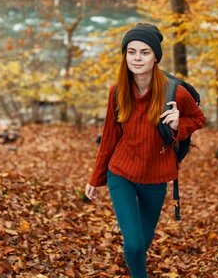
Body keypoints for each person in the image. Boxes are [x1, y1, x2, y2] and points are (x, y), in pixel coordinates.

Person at [85, 23, 206, 278]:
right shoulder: (117, 92)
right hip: (121, 174)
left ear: (155, 57)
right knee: (134, 244)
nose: (137, 58)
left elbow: (199, 119)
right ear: (125, 55)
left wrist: (178, 124)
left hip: (156, 179)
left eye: (144, 52)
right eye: (131, 52)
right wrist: (95, 179)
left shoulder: (176, 92)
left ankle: (135, 263)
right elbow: (109, 138)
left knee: (144, 239)